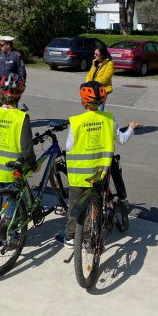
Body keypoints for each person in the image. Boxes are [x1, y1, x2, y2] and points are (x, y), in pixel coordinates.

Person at [55, 81, 139, 248]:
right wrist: (131, 128)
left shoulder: (76, 121)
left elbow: (69, 146)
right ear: (102, 100)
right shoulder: (109, 119)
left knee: (74, 206)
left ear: (83, 102)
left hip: (78, 175)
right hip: (99, 173)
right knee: (97, 202)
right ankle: (95, 233)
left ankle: (70, 238)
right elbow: (121, 139)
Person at [0, 73, 38, 247]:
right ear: (19, 95)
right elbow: (27, 149)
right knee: (12, 202)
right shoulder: (21, 117)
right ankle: (11, 236)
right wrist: (33, 165)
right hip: (12, 170)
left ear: (0, 92)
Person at [85, 44, 114, 110]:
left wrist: (93, 83)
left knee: (100, 110)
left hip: (101, 90)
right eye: (94, 53)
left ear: (102, 54)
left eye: (97, 54)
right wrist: (88, 82)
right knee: (91, 109)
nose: (94, 55)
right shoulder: (95, 62)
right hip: (92, 89)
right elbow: (89, 74)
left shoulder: (109, 63)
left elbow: (106, 78)